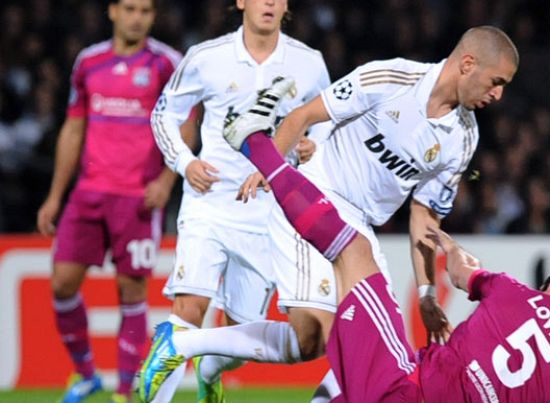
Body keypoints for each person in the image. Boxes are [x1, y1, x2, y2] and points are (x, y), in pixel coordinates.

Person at [140, 87, 550, 402]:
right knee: (330, 350)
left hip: (404, 384)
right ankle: (197, 351)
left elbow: (465, 273)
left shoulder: (517, 294)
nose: (497, 93)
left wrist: (450, 258)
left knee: (351, 260)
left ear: (547, 288)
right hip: (404, 376)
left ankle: (254, 143)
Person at [141, 23, 519, 402]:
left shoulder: (463, 137)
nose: (499, 95)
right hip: (315, 200)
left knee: (374, 355)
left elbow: (424, 216)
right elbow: (303, 116)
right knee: (316, 338)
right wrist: (271, 170)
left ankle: (203, 356)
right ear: (468, 63)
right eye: (496, 81)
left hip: (360, 231)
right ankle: (182, 343)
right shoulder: (392, 78)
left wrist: (425, 293)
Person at [143, 0, 331, 402]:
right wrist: (185, 163)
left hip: (270, 214)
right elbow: (163, 114)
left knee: (239, 334)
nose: (270, 0)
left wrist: (312, 145)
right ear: (241, 1)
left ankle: (210, 375)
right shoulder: (207, 58)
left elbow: (327, 120)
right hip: (208, 203)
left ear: (287, 5)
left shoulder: (308, 63)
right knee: (188, 308)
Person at [34, 0, 185, 403]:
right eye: (130, 9)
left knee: (131, 290)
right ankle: (85, 375)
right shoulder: (88, 63)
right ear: (113, 12)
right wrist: (55, 195)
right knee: (62, 283)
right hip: (88, 193)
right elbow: (74, 126)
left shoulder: (166, 64)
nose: (137, 18)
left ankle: (123, 391)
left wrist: (167, 178)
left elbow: (187, 122)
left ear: (153, 17)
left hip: (137, 196)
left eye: (145, 10)